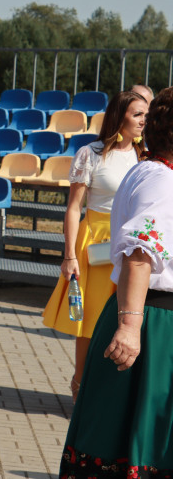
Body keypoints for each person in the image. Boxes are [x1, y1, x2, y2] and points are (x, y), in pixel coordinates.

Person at [59, 87, 173, 476]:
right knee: (133, 439)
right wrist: (130, 325)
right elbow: (141, 253)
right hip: (153, 315)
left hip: (150, 311)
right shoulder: (159, 178)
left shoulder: (148, 168)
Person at [41, 90, 147, 399]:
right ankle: (80, 383)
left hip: (132, 246)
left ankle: (114, 392)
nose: (144, 120)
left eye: (146, 115)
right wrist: (69, 255)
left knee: (126, 316)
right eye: (137, 114)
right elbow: (74, 207)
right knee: (90, 320)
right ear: (119, 117)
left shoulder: (146, 155)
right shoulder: (91, 153)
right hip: (97, 244)